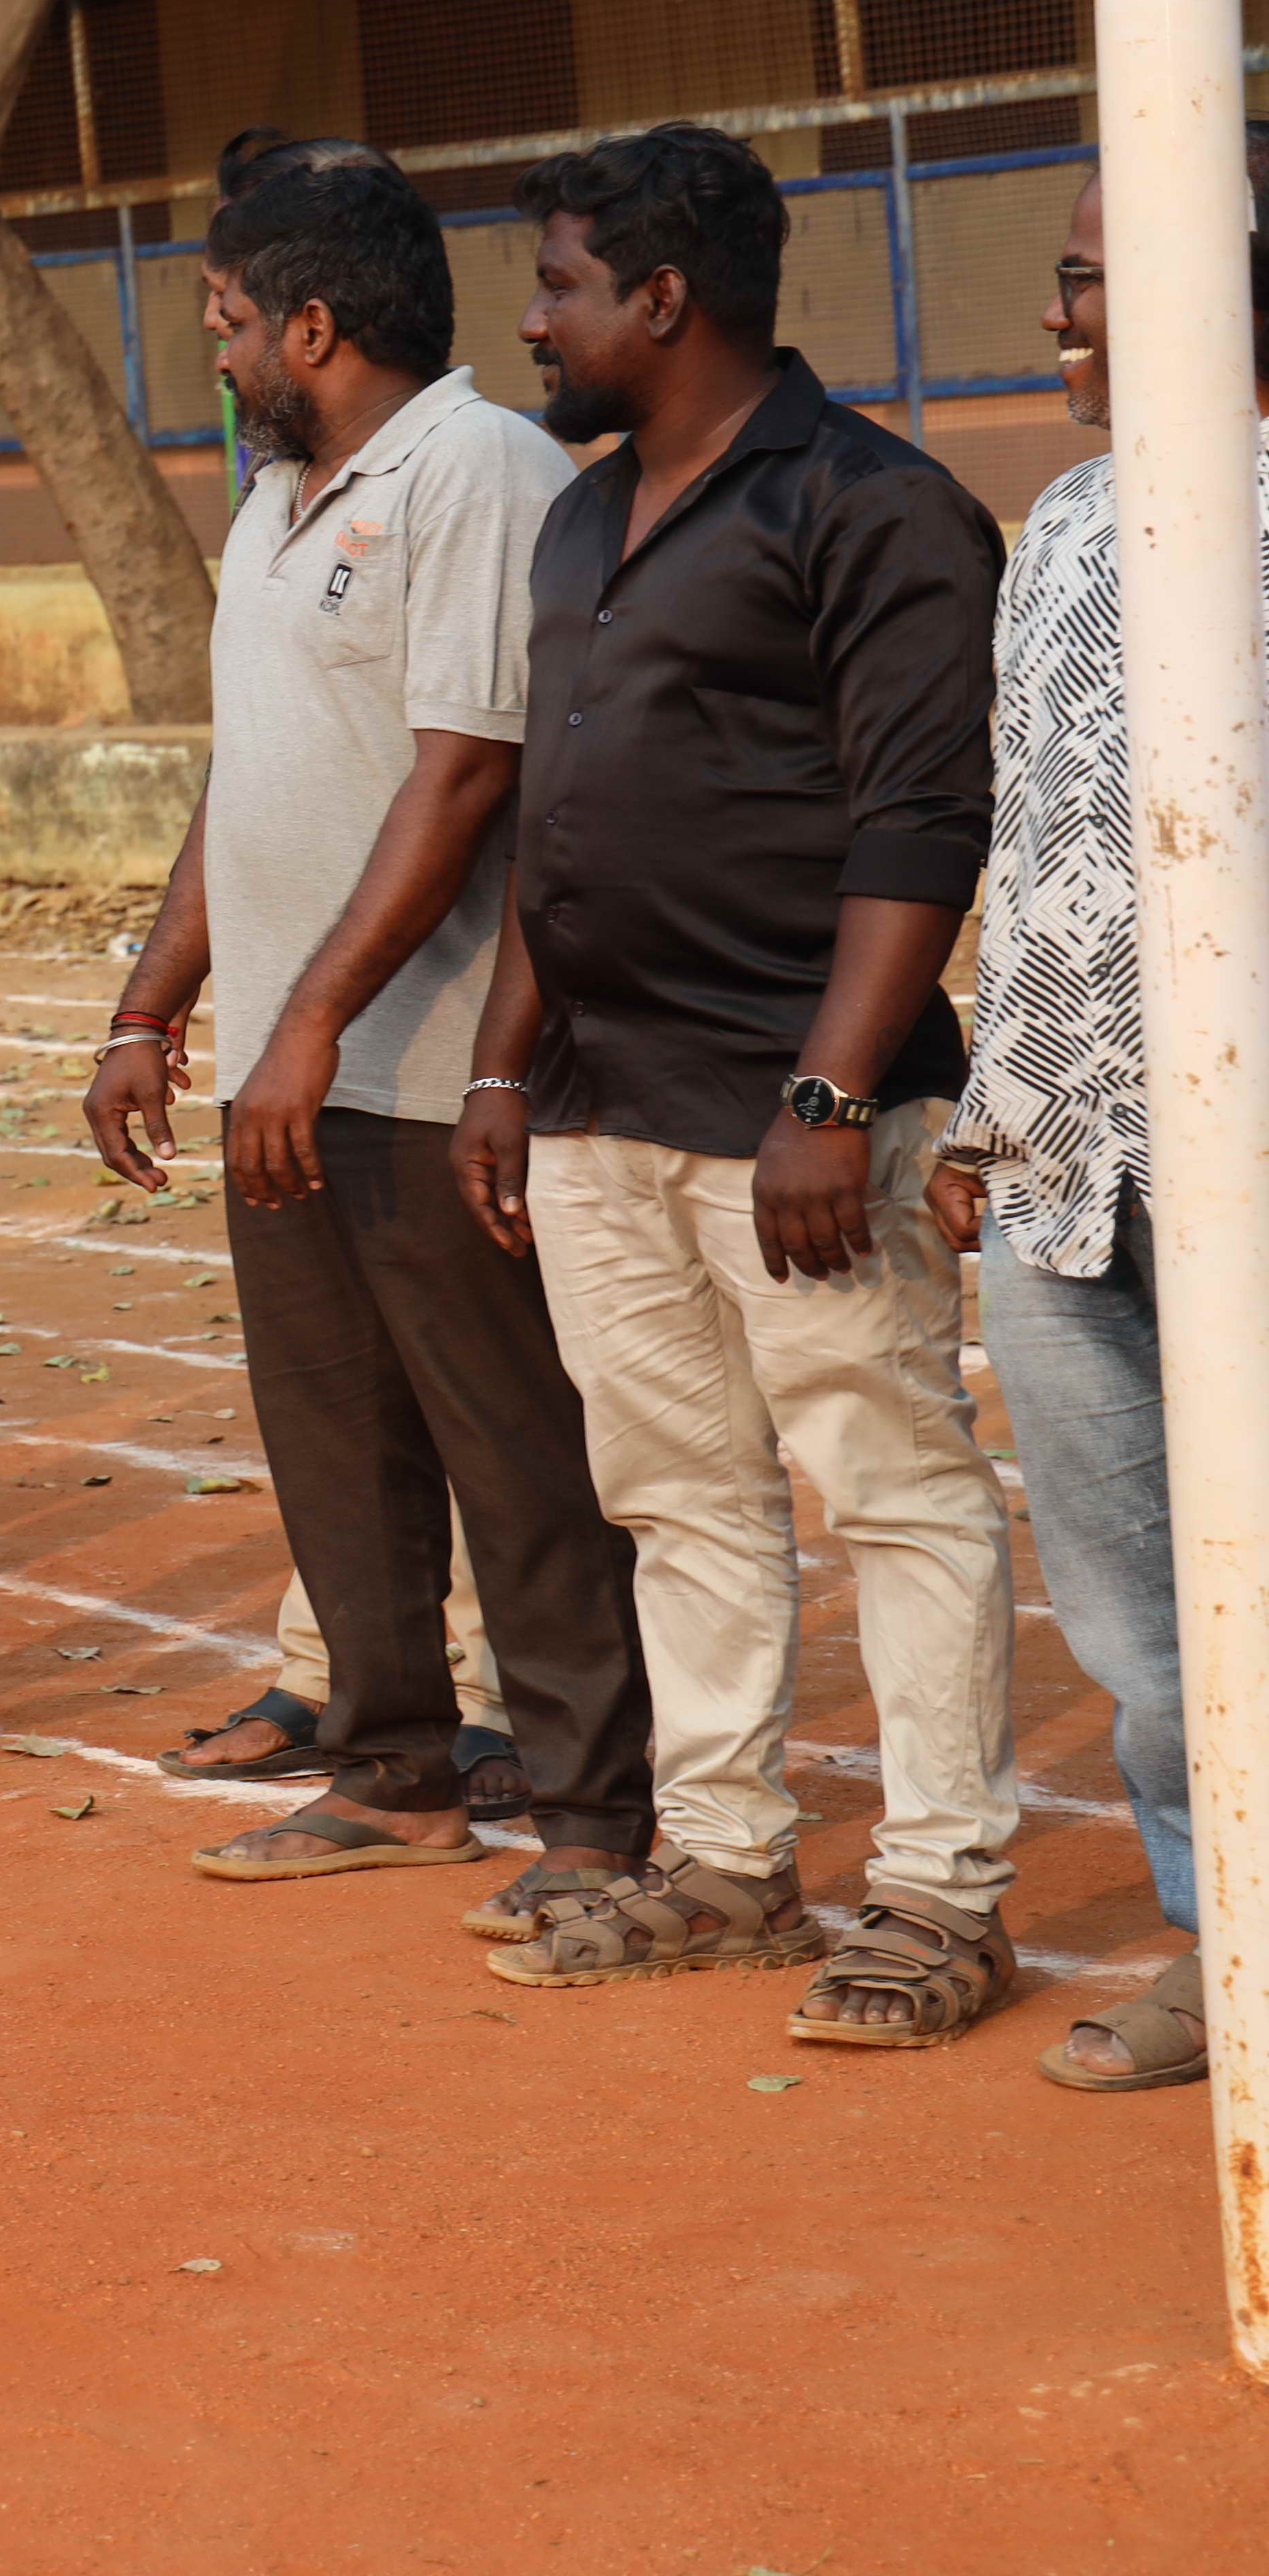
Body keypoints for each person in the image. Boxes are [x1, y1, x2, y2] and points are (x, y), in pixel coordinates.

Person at [454, 123, 1020, 2052]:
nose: (532, 325)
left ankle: (944, 1893)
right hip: (604, 1099)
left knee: (893, 1487)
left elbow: (923, 823)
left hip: (789, 1111)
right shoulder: (579, 514)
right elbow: (556, 819)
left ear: (663, 298)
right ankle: (726, 1861)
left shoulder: (874, 509)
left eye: (558, 287)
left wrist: (835, 1096)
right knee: (679, 1495)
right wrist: (502, 1066)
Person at [69, 155, 649, 1923]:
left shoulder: (475, 471)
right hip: (289, 1072)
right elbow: (246, 780)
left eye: (230, 322)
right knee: (337, 1439)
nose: (218, 354)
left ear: (313, 326)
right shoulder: (272, 502)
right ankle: (391, 1762)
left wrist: (312, 1019)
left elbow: (468, 771)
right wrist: (153, 1002)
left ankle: (591, 1815)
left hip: (419, 1068)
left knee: (509, 1452)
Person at [930, 147, 1269, 2095]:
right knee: (1141, 1620)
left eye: (1083, 278)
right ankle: (1220, 1957)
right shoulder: (1058, 525)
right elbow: (1028, 830)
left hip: (1240, 1155)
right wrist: (991, 1109)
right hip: (1071, 1165)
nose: (1053, 315)